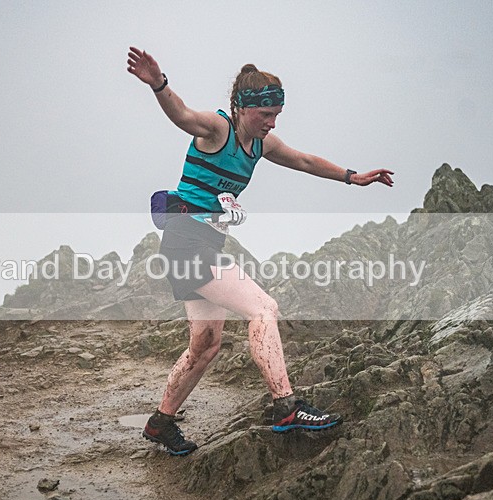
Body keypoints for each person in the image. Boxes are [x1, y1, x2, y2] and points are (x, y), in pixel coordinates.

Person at [127, 47, 394, 455]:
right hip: (185, 240)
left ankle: (160, 423)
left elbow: (304, 161)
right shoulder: (218, 129)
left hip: (201, 243)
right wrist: (159, 84)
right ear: (242, 107)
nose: (271, 123)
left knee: (205, 344)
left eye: (276, 115)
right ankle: (286, 407)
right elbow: (182, 115)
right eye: (265, 114)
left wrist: (351, 177)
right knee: (263, 308)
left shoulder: (261, 145)